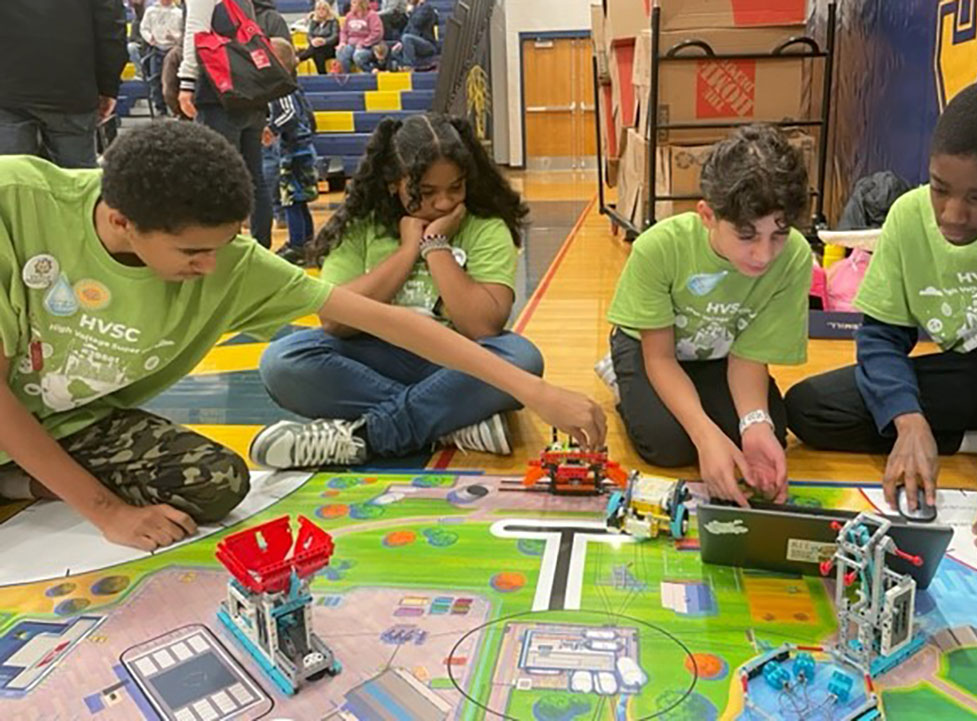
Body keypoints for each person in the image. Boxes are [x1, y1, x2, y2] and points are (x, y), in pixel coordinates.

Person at [0, 122, 604, 553]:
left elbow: (390, 322)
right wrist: (108, 512)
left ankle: (20, 478)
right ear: (121, 221)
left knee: (217, 483)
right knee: (289, 360)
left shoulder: (231, 262)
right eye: (192, 252)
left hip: (71, 421)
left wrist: (535, 391)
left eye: (224, 244)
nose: (212, 268)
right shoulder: (17, 204)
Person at [785, 81, 977, 554]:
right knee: (812, 406)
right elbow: (881, 338)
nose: (952, 214)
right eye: (940, 188)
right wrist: (909, 422)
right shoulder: (909, 216)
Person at [253, 113, 543, 464]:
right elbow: (334, 321)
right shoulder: (361, 226)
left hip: (454, 361)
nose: (444, 203)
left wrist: (434, 244)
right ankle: (450, 422)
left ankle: (366, 435)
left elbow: (481, 327)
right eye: (425, 192)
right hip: (374, 359)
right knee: (283, 361)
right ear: (394, 183)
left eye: (456, 187)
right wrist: (407, 252)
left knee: (522, 359)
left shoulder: (484, 227)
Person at [604, 125, 812, 505]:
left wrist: (754, 425)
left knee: (768, 434)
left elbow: (749, 356)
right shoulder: (659, 248)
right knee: (666, 444)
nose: (764, 255)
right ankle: (619, 376)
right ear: (707, 216)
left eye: (778, 235)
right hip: (653, 348)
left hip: (722, 353)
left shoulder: (795, 258)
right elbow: (661, 357)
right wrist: (704, 434)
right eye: (747, 236)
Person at [178, 0, 291, 248]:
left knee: (217, 176)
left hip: (219, 94)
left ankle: (225, 245)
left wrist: (187, 81)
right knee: (254, 177)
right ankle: (261, 247)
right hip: (250, 94)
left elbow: (196, 33)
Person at [0, 0, 127, 169]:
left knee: (14, 183)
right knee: (78, 185)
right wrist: (108, 87)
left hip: (9, 92)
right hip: (72, 91)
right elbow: (111, 28)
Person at [265, 38, 320, 265]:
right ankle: (306, 242)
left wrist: (272, 127)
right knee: (298, 199)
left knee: (291, 199)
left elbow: (290, 115)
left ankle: (298, 245)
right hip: (298, 149)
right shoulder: (286, 85)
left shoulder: (282, 86)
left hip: (295, 151)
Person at [139, 0, 184, 116]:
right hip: (156, 49)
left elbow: (183, 32)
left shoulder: (179, 13)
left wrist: (175, 37)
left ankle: (176, 109)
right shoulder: (150, 11)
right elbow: (144, 28)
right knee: (155, 79)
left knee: (173, 81)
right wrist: (150, 38)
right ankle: (160, 108)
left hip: (173, 51)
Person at [336, 0, 384, 74]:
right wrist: (342, 42)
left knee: (358, 56)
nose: (351, 5)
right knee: (340, 52)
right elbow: (344, 32)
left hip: (368, 45)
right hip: (351, 44)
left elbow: (377, 33)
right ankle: (347, 75)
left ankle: (371, 70)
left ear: (362, 4)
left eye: (354, 2)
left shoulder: (372, 15)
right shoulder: (349, 15)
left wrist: (363, 43)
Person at [391, 0, 439, 71]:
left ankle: (409, 66)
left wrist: (410, 12)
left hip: (427, 43)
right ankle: (409, 66)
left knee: (407, 38)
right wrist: (400, 42)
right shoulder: (415, 10)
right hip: (413, 41)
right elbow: (407, 28)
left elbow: (417, 23)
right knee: (395, 51)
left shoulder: (426, 8)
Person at [298, 0, 340, 75]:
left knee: (315, 50)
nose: (321, 11)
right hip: (317, 48)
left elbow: (335, 37)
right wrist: (312, 41)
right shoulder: (314, 21)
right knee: (317, 52)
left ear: (328, 11)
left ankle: (299, 58)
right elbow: (309, 35)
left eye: (323, 9)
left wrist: (324, 41)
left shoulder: (333, 21)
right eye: (318, 9)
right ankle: (322, 75)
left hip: (330, 47)